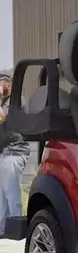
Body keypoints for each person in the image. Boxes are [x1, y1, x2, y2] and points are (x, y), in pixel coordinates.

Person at [0, 74, 29, 237]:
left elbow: (1, 118)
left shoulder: (16, 100)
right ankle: (3, 228)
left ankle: (15, 231)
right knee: (2, 195)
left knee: (11, 193)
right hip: (4, 152)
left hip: (14, 151)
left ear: (9, 85)